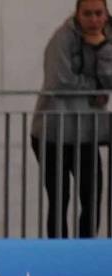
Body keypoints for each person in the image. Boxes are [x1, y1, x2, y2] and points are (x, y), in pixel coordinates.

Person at [30, 0, 112, 239]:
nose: (94, 20)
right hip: (52, 132)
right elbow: (59, 82)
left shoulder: (107, 37)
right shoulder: (62, 39)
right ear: (77, 14)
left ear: (106, 14)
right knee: (59, 198)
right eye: (87, 14)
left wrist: (103, 47)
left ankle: (86, 250)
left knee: (92, 196)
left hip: (87, 132)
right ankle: (58, 254)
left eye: (99, 14)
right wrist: (94, 89)